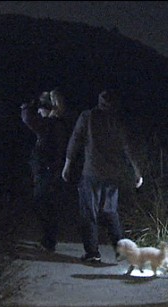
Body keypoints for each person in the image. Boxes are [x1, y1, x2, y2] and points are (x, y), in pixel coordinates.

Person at [62, 89, 143, 263]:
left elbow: (75, 139)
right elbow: (129, 147)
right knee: (110, 211)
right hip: (112, 174)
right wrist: (137, 171)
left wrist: (67, 164)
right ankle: (121, 251)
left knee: (89, 212)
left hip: (92, 172)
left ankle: (92, 253)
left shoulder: (88, 116)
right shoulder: (118, 120)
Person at [21, 88, 74, 251]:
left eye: (41, 108)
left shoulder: (51, 124)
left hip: (48, 171)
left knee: (42, 204)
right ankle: (49, 239)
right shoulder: (59, 123)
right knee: (48, 205)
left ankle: (49, 241)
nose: (38, 111)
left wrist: (26, 107)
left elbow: (29, 120)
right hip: (51, 170)